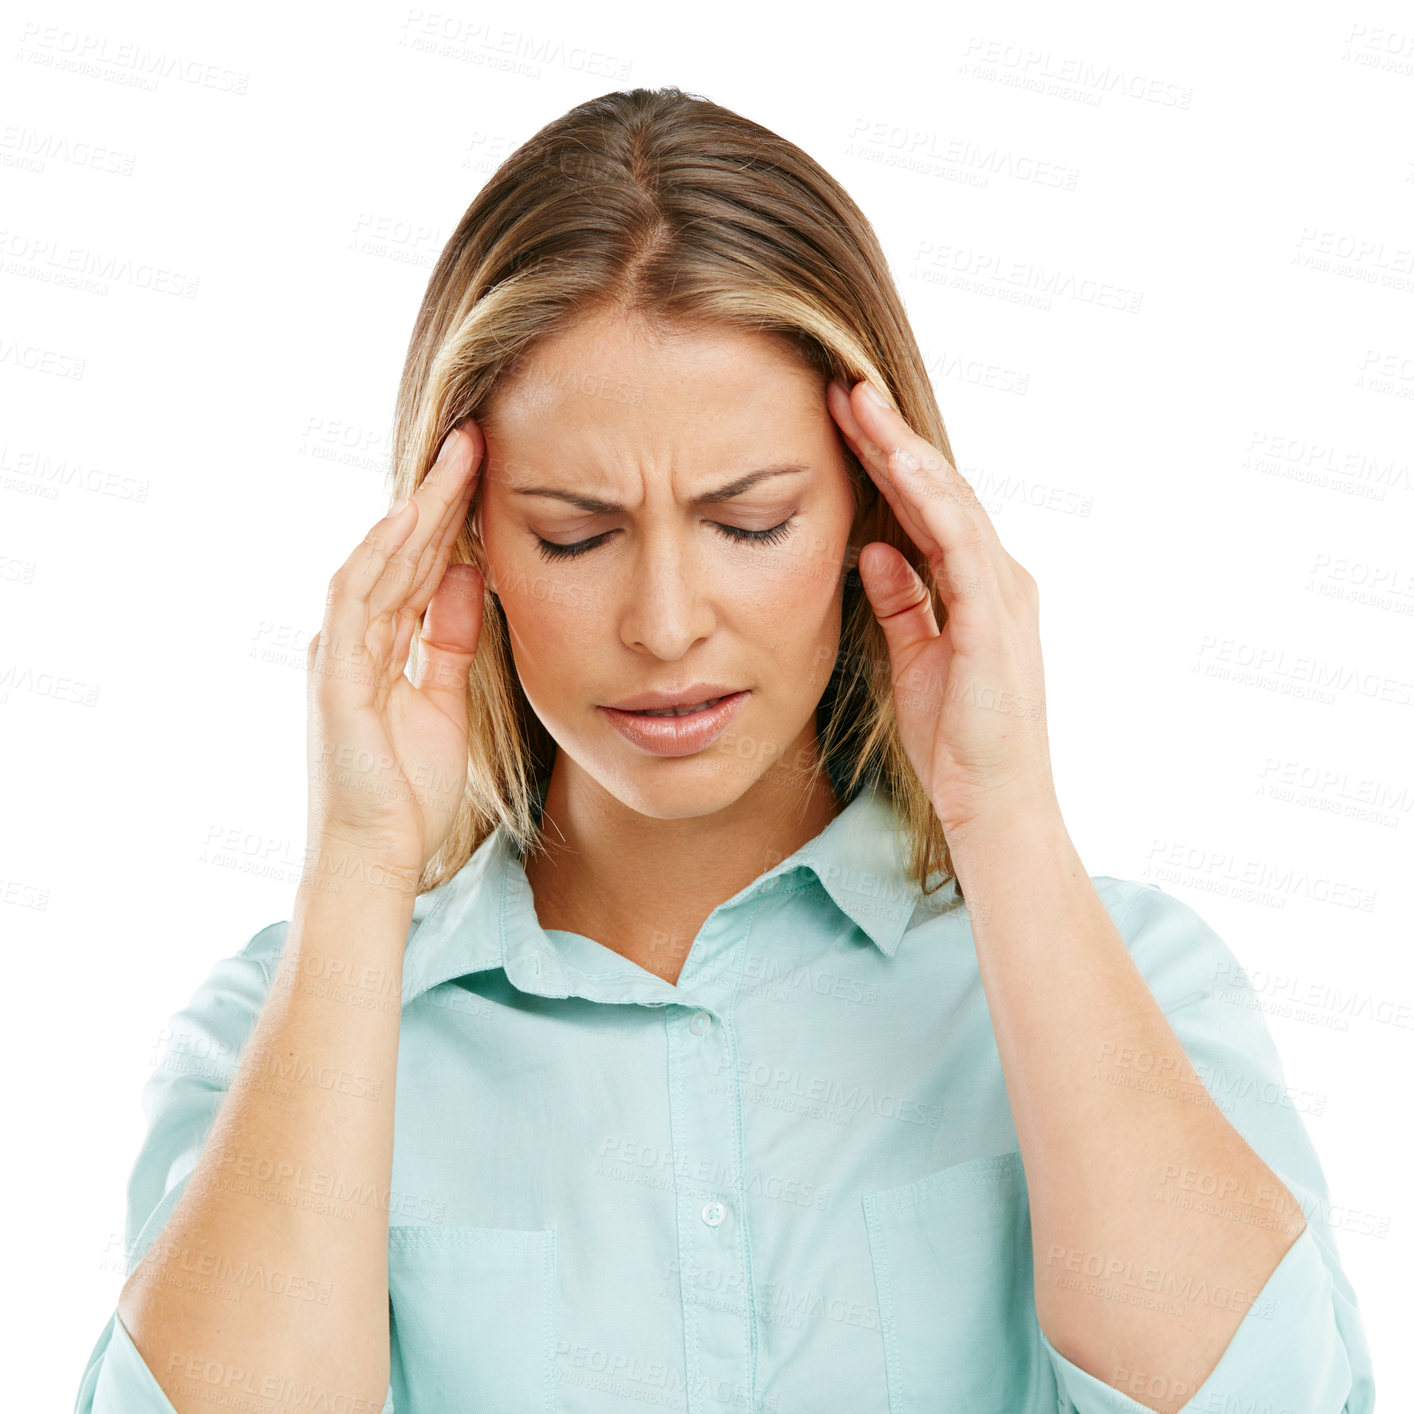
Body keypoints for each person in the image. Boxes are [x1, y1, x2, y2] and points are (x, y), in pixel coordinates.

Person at [75, 87, 1373, 1414]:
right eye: (574, 535)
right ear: (460, 540)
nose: (664, 623)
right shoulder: (273, 1033)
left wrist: (1003, 813)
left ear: (877, 506)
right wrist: (357, 865)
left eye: (747, 521)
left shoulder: (1136, 980)